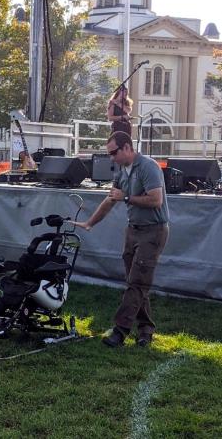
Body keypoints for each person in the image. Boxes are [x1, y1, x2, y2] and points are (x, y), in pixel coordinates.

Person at [74, 131, 169, 348]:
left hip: (153, 231)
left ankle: (120, 331)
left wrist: (126, 197)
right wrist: (90, 223)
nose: (111, 158)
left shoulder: (148, 167)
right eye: (109, 154)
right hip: (133, 230)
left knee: (137, 283)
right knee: (136, 283)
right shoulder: (122, 171)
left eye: (114, 152)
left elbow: (156, 200)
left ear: (127, 147)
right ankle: (146, 330)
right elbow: (110, 200)